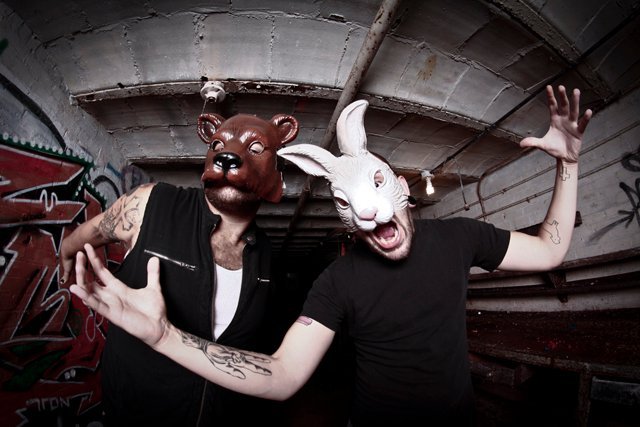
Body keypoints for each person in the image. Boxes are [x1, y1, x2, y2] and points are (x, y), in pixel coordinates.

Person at [69, 85, 592, 426]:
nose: (369, 214)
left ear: (401, 187)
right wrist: (163, 336)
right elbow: (283, 374)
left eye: (378, 187)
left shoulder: (460, 237)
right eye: (347, 203)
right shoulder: (337, 281)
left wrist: (567, 165)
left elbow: (550, 250)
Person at [59, 111, 299, 426]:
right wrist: (66, 253)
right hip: (135, 414)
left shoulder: (264, 252)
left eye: (255, 149)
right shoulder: (152, 203)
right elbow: (91, 232)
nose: (228, 155)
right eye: (217, 145)